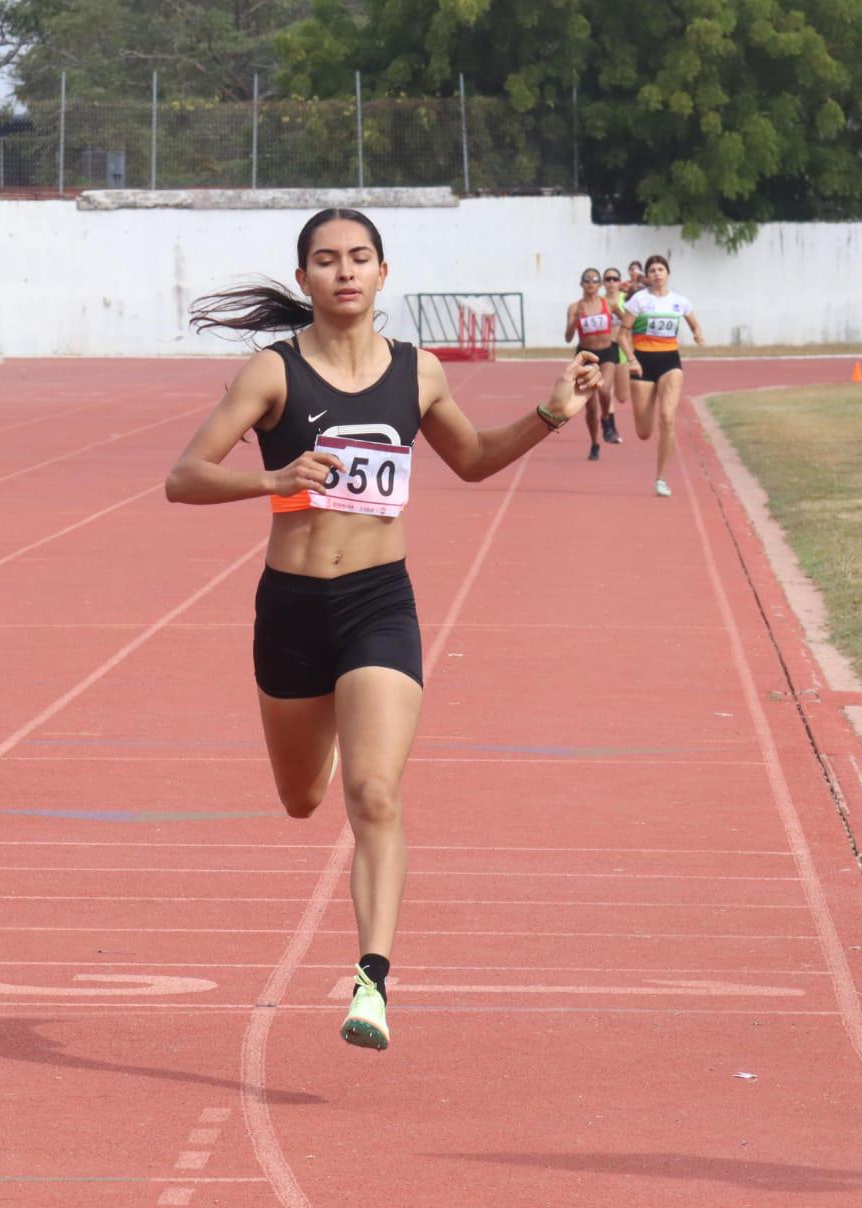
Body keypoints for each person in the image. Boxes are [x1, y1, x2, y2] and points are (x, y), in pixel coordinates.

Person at [167, 208, 601, 1051]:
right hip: (291, 610)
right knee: (302, 800)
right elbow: (184, 477)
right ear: (304, 281)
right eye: (326, 260)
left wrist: (549, 414)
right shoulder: (274, 373)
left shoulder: (419, 372)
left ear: (382, 271)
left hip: (378, 604)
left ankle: (373, 978)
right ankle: (326, 733)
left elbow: (472, 461)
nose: (345, 272)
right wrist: (276, 480)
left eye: (359, 257)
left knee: (376, 792)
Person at [619, 254, 704, 498]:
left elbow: (694, 324)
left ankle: (661, 479)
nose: (657, 273)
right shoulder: (639, 301)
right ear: (647, 276)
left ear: (667, 273)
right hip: (642, 364)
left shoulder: (680, 302)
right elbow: (622, 334)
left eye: (661, 269)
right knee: (644, 432)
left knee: (667, 419)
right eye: (653, 270)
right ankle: (647, 424)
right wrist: (632, 360)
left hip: (670, 362)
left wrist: (698, 334)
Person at [564, 266, 620, 460]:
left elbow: (627, 322)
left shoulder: (609, 303)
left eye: (595, 280)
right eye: (587, 280)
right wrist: (575, 320)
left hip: (607, 353)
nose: (591, 283)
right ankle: (595, 443)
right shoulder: (574, 307)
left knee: (604, 390)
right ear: (581, 284)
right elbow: (568, 337)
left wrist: (622, 337)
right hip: (586, 356)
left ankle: (606, 419)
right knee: (590, 406)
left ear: (600, 284)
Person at [603, 267, 633, 423]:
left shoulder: (627, 299)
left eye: (615, 279)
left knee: (622, 397)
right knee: (606, 389)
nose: (611, 282)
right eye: (608, 279)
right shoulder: (599, 302)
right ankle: (610, 425)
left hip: (622, 349)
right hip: (605, 349)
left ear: (620, 282)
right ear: (603, 283)